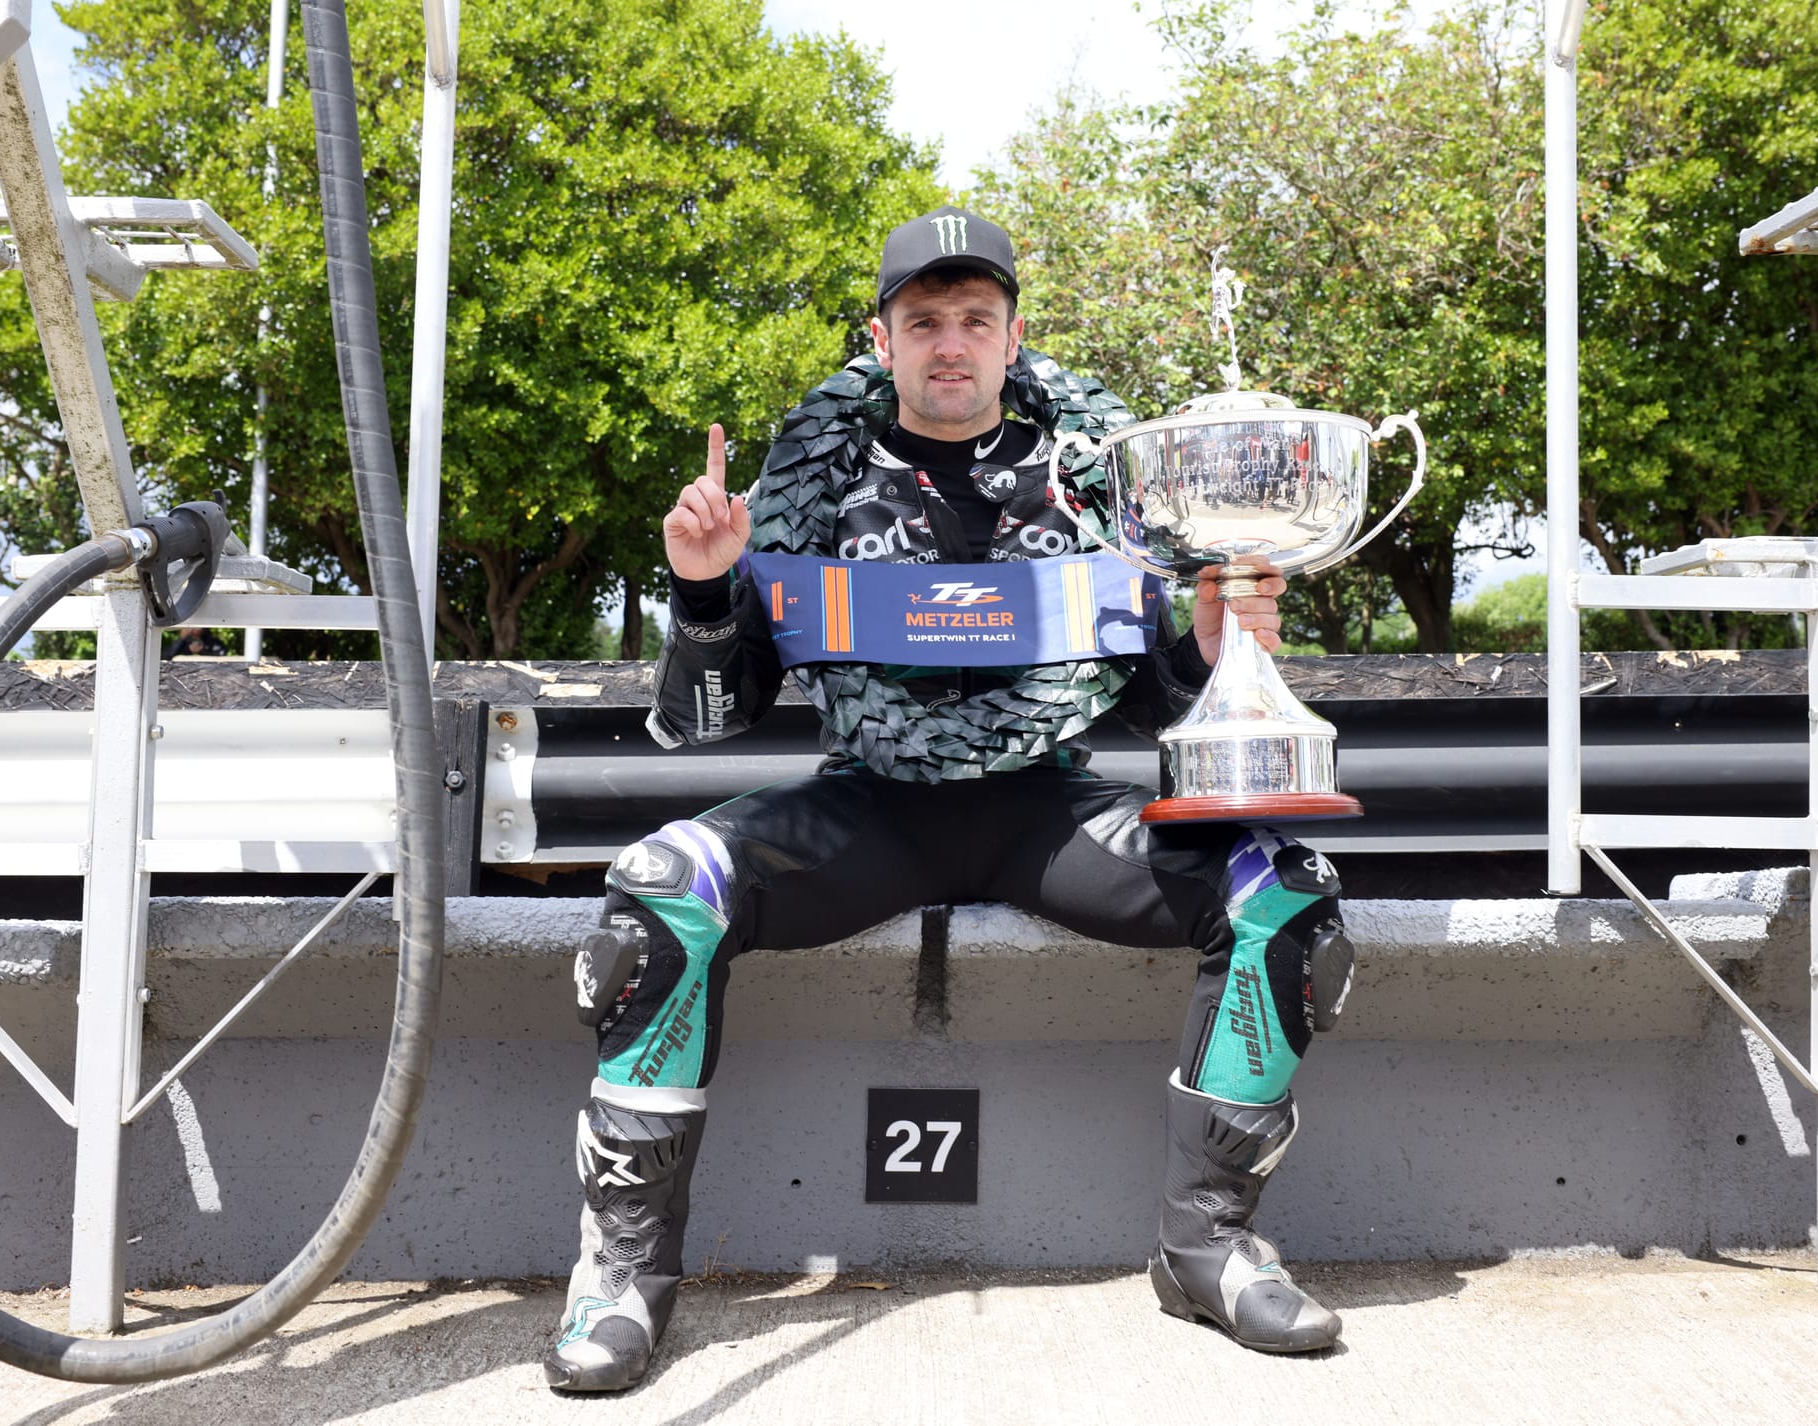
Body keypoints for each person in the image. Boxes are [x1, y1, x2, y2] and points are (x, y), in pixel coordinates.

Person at [544, 206, 1357, 1393]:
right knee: (663, 893)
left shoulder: (1103, 487)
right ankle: (622, 1276)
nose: (949, 342)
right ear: (881, 339)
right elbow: (705, 723)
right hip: (867, 808)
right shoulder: (809, 486)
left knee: (1282, 892)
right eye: (922, 319)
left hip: (1050, 810)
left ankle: (1208, 1248)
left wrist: (1208, 637)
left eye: (974, 318)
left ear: (1012, 336)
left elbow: (1170, 715)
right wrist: (706, 588)